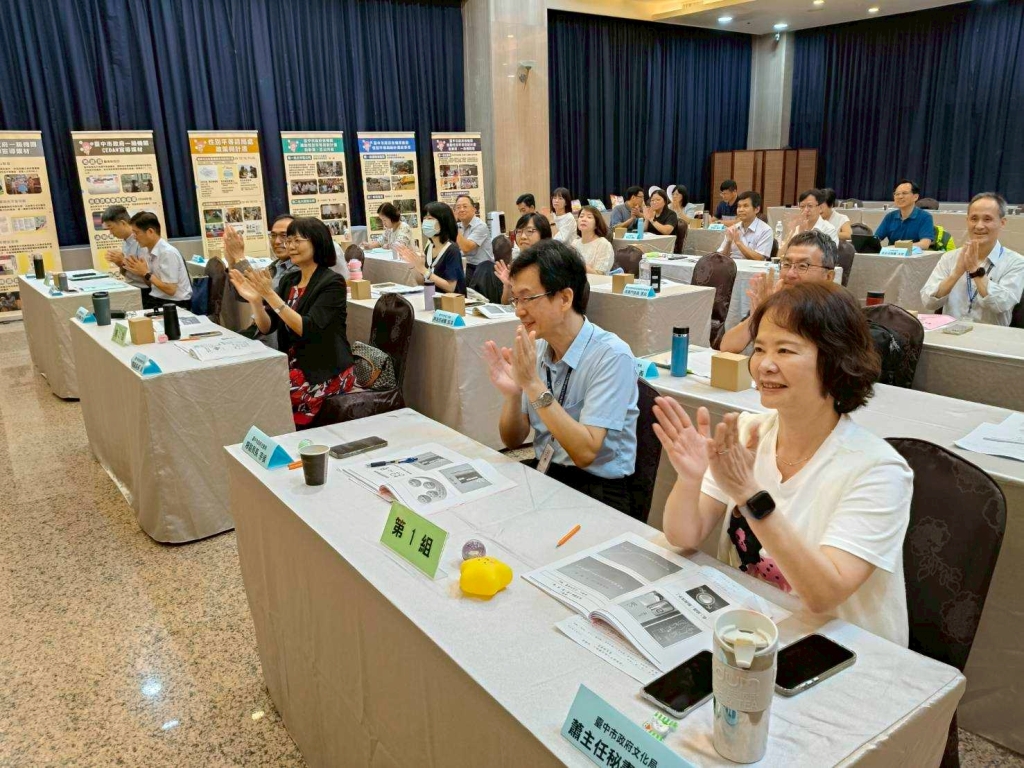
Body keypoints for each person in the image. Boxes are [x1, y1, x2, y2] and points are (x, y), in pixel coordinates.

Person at [655, 281, 912, 645]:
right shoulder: (749, 432)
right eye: (759, 349)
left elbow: (824, 595)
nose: (765, 365)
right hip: (753, 629)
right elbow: (683, 537)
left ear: (836, 360)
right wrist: (690, 478)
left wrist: (750, 495)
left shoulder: (878, 471)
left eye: (785, 350)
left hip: (842, 648)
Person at [483, 240, 639, 515]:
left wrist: (533, 385)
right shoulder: (540, 347)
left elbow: (585, 453)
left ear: (565, 299)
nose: (518, 310)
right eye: (515, 299)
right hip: (548, 474)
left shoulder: (612, 356)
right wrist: (513, 395)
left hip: (598, 489)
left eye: (527, 298)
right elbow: (513, 440)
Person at [229, 217, 355, 427]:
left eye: (298, 241)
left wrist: (270, 295)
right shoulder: (290, 280)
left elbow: (306, 328)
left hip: (323, 370)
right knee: (247, 388)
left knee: (264, 400)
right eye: (290, 241)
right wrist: (256, 302)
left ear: (317, 243)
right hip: (292, 365)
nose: (291, 246)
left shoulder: (332, 282)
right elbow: (267, 326)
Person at [719, 231, 837, 354]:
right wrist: (758, 314)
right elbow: (726, 347)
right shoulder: (776, 301)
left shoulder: (836, 313)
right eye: (786, 264)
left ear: (828, 277)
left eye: (803, 266)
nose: (790, 274)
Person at [920, 192, 1024, 325]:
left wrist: (976, 272)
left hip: (991, 336)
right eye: (974, 219)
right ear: (967, 221)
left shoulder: (1016, 262)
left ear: (1002, 223)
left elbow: (1002, 304)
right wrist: (955, 275)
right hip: (950, 332)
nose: (979, 226)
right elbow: (928, 302)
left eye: (987, 219)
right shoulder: (949, 258)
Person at [123, 212, 192, 310]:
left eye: (136, 233)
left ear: (150, 232)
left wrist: (146, 273)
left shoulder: (167, 253)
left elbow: (171, 290)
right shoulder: (149, 251)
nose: (134, 237)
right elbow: (152, 284)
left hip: (176, 304)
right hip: (158, 300)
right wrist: (141, 273)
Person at [396, 201, 467, 295]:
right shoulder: (429, 246)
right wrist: (413, 265)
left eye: (430, 218)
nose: (425, 222)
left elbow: (450, 288)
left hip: (451, 302)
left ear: (443, 221)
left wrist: (424, 270)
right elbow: (422, 282)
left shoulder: (452, 249)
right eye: (424, 218)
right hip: (432, 297)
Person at [101, 205, 149, 302]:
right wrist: (120, 263)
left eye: (111, 228)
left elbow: (147, 274)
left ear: (123, 223)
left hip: (145, 291)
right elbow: (126, 273)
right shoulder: (125, 241)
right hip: (132, 287)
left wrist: (123, 261)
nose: (111, 233)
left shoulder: (141, 240)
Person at [873, 180, 934, 249]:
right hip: (892, 254)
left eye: (904, 193)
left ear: (915, 197)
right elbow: (876, 239)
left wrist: (897, 247)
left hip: (914, 254)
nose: (900, 197)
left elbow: (924, 244)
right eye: (897, 194)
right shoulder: (890, 217)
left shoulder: (925, 217)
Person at [720, 191, 773, 260]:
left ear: (757, 209)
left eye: (745, 206)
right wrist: (729, 242)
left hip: (753, 267)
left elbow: (760, 258)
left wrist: (738, 243)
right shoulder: (733, 228)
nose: (740, 210)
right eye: (739, 206)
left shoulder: (765, 230)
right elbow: (721, 258)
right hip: (732, 265)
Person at [454, 194, 493, 278]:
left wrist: (452, 224)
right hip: (467, 266)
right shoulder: (459, 226)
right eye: (458, 207)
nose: (461, 210)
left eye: (465, 206)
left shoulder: (480, 226)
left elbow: (466, 248)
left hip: (483, 269)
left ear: (474, 209)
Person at [572, 205, 614, 274]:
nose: (583, 219)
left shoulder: (603, 244)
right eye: (581, 216)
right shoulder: (574, 243)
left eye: (589, 217)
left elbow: (600, 274)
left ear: (596, 224)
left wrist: (579, 264)